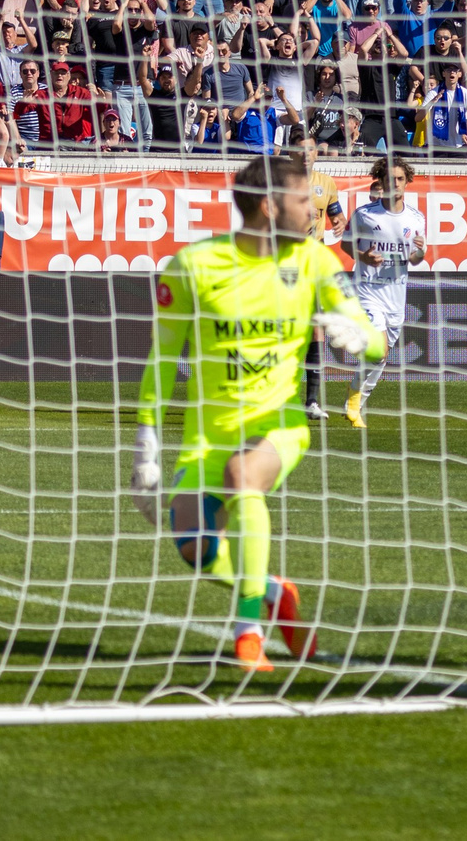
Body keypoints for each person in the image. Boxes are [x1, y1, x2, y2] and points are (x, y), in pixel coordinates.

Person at [128, 154, 387, 672]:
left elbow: (374, 340)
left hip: (279, 425)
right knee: (193, 547)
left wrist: (361, 339)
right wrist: (147, 442)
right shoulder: (194, 266)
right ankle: (272, 590)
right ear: (269, 207)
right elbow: (162, 358)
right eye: (301, 200)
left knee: (242, 474)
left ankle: (248, 630)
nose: (313, 210)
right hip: (207, 434)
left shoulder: (315, 263)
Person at [339, 155, 422, 428]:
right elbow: (346, 246)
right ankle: (354, 405)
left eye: (400, 179)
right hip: (368, 290)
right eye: (389, 179)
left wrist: (418, 252)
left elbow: (417, 258)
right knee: (380, 352)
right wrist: (363, 257)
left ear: (407, 181)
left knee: (383, 357)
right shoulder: (365, 214)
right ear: (381, 182)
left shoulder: (416, 218)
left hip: (396, 294)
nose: (395, 184)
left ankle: (355, 402)